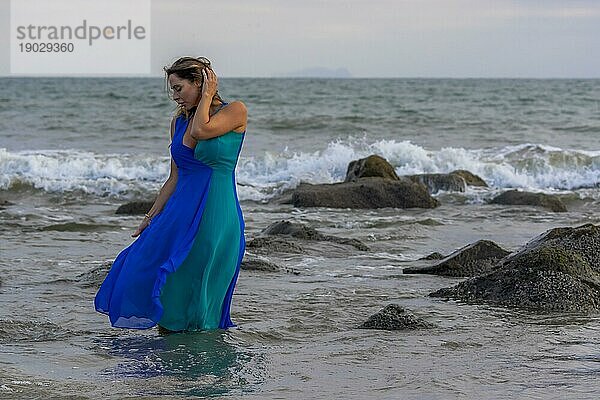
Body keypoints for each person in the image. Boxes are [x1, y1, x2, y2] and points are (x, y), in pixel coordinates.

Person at [95, 56, 248, 333]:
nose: (175, 96)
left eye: (179, 88)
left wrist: (207, 97)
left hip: (215, 213)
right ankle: (173, 362)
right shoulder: (178, 122)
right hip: (178, 213)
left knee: (199, 288)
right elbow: (174, 178)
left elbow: (201, 131)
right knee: (149, 271)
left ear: (200, 83)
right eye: (172, 90)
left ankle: (203, 364)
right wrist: (150, 217)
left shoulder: (234, 111)